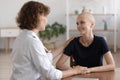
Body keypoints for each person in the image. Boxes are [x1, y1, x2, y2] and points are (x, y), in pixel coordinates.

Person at [10, 1, 88, 80]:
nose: (46, 20)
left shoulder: (22, 37)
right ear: (36, 17)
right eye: (44, 16)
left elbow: (44, 58)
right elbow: (51, 75)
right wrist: (75, 71)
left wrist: (65, 44)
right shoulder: (32, 42)